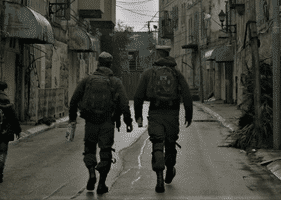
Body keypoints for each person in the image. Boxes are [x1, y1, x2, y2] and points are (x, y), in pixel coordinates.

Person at [69, 52, 133, 195]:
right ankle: (102, 183)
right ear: (110, 65)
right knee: (105, 151)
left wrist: (72, 120)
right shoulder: (115, 82)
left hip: (90, 121)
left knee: (89, 149)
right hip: (107, 122)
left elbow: (73, 101)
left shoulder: (87, 80)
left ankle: (91, 172)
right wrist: (128, 121)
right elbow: (124, 103)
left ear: (98, 64)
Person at [134, 45, 193, 193]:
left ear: (157, 56)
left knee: (157, 143)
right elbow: (186, 94)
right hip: (172, 114)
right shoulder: (176, 73)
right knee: (171, 143)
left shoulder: (149, 73)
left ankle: (159, 178)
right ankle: (169, 169)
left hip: (155, 113)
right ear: (168, 55)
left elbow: (138, 96)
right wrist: (188, 113)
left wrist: (138, 115)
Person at [0, 81, 22, 183]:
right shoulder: (6, 101)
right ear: (2, 90)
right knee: (2, 152)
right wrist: (18, 130)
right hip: (4, 132)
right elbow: (13, 118)